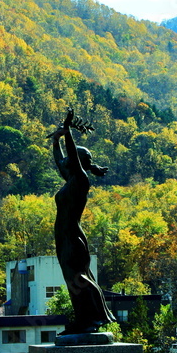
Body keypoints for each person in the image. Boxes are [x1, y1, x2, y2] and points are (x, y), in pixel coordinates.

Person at [51, 109, 116, 335]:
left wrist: (67, 131)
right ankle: (84, 319)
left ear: (77, 162)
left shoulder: (80, 179)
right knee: (73, 281)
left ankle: (93, 318)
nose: (66, 161)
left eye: (72, 158)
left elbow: (69, 157)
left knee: (78, 279)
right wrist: (57, 138)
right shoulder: (70, 180)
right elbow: (60, 159)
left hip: (72, 237)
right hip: (64, 237)